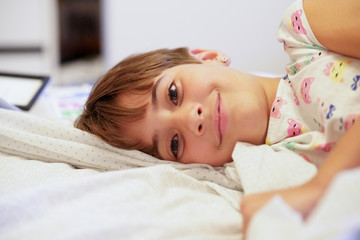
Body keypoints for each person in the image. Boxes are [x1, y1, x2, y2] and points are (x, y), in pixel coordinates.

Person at [75, 0, 360, 236]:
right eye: (174, 144)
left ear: (206, 56)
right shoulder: (272, 172)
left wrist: (319, 189)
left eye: (173, 94)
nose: (190, 120)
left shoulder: (304, 33)